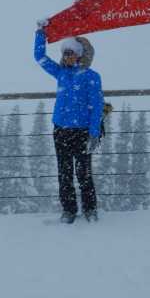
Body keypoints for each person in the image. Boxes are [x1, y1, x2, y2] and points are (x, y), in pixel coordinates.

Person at [34, 20, 104, 223]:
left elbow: (97, 105)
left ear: (80, 54)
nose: (66, 57)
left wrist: (93, 133)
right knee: (64, 173)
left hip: (82, 132)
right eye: (64, 53)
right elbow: (39, 57)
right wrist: (41, 33)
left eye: (70, 53)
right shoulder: (61, 73)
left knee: (84, 173)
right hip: (61, 130)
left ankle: (90, 209)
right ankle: (69, 210)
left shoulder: (92, 76)